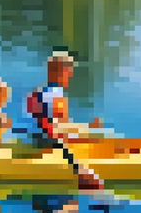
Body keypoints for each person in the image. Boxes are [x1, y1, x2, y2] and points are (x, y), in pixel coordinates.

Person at [25, 51, 107, 189]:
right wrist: (87, 130)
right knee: (97, 136)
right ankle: (84, 175)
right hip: (46, 141)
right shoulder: (55, 94)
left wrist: (85, 129)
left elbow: (53, 123)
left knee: (91, 134)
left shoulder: (40, 91)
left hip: (34, 137)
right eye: (69, 71)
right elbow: (59, 127)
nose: (71, 75)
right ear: (61, 71)